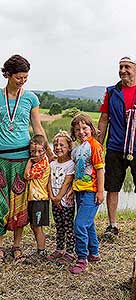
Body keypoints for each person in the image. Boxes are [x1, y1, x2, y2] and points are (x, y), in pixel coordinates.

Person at [0, 54, 53, 262]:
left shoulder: (31, 98)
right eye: (19, 77)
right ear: (8, 74)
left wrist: (48, 153)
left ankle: (17, 246)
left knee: (19, 204)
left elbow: (37, 127)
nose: (22, 81)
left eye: (25, 77)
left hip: (23, 159)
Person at [98, 56, 136, 236]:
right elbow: (104, 119)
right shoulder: (112, 92)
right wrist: (98, 146)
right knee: (112, 187)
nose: (122, 70)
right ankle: (112, 225)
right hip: (115, 147)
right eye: (120, 67)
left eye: (127, 67)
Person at [69, 113, 104, 274]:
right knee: (88, 224)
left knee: (80, 224)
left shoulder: (94, 146)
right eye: (77, 129)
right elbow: (76, 172)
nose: (81, 132)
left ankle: (82, 258)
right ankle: (94, 253)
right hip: (79, 191)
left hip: (91, 191)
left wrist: (100, 191)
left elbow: (100, 170)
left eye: (85, 128)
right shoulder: (77, 150)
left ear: (91, 128)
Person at [47, 131, 75, 264]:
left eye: (62, 145)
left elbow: (67, 182)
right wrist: (52, 196)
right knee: (59, 226)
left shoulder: (71, 164)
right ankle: (59, 249)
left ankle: (70, 251)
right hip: (54, 200)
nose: (58, 147)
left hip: (66, 202)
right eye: (56, 145)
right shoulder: (52, 164)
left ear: (69, 147)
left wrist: (58, 197)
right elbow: (48, 181)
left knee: (68, 226)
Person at [24, 134, 50, 262]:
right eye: (33, 151)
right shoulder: (38, 161)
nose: (36, 154)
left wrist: (29, 162)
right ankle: (40, 249)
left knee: (37, 226)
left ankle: (42, 251)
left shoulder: (42, 163)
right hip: (33, 199)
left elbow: (27, 175)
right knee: (34, 226)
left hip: (40, 199)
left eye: (40, 151)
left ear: (45, 150)